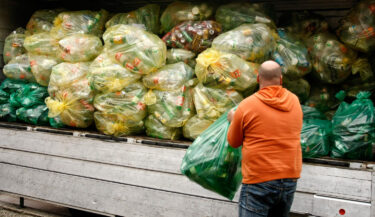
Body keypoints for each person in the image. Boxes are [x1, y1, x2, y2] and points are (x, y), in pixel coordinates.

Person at [227, 60, 303, 217]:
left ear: (257, 78)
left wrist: (234, 120)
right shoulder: (294, 101)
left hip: (259, 179)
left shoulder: (247, 105)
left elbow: (233, 142)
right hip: (289, 179)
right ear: (280, 79)